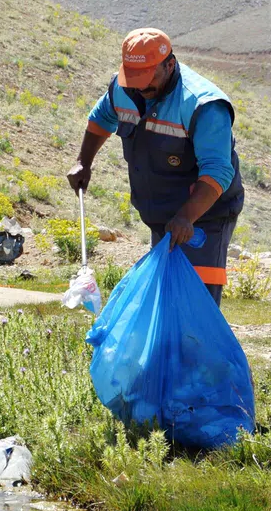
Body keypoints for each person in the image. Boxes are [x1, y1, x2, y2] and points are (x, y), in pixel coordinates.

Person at [67, 28, 244, 305]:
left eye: (148, 78)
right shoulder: (123, 88)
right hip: (163, 212)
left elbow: (217, 171)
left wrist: (186, 216)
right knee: (165, 295)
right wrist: (83, 163)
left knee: (194, 300)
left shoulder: (203, 105)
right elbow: (101, 119)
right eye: (134, 77)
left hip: (206, 214)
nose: (140, 87)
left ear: (169, 65)